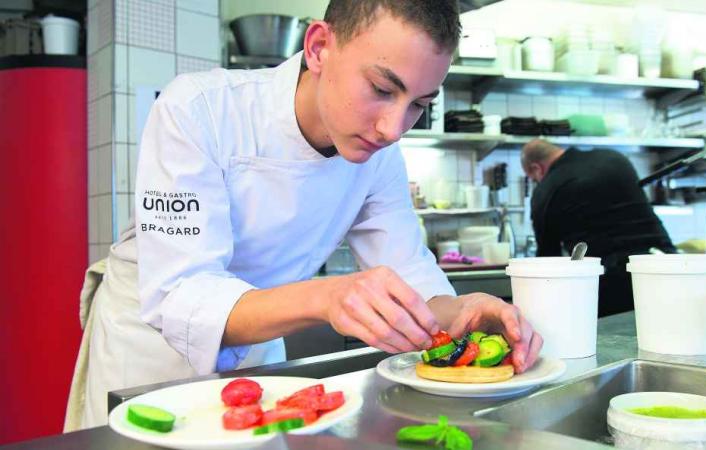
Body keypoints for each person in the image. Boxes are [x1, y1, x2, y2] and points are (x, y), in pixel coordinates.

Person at [64, 0, 543, 430]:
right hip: (147, 354)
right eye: (381, 88)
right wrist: (330, 296)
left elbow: (411, 276)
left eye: (418, 105)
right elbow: (181, 292)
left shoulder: (380, 159)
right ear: (318, 47)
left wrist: (461, 312)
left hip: (259, 353)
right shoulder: (199, 109)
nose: (394, 129)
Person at [521, 138, 676, 317]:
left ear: (536, 168)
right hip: (664, 264)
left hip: (614, 285)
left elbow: (549, 261)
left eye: (534, 179)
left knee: (617, 341)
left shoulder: (545, 190)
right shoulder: (613, 157)